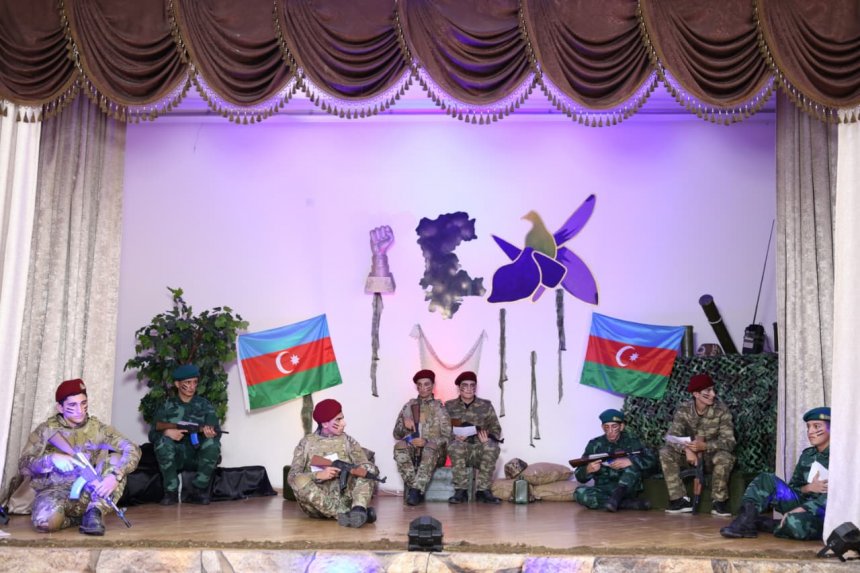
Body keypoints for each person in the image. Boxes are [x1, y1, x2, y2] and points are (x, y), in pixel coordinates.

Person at [18, 378, 141, 535]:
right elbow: (23, 466)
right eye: (72, 405)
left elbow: (133, 449)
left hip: (90, 492)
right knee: (46, 523)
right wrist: (51, 459)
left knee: (116, 459)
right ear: (60, 407)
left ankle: (94, 512)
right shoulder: (46, 430)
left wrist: (116, 476)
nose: (80, 410)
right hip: (54, 492)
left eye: (84, 403)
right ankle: (79, 519)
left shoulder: (98, 429)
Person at [720, 407, 830, 540]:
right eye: (808, 427)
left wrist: (800, 509)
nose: (810, 431)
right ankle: (745, 522)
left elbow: (839, 498)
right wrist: (808, 488)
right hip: (800, 503)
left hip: (822, 513)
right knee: (766, 479)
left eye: (816, 426)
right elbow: (794, 487)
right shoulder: (807, 455)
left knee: (795, 523)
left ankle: (770, 524)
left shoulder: (841, 459)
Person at [287, 399, 379, 528]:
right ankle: (349, 515)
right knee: (299, 480)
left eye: (342, 418)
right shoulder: (306, 443)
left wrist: (348, 470)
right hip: (317, 504)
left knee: (368, 469)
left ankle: (358, 509)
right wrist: (318, 475)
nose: (344, 423)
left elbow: (367, 467)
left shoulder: (348, 441)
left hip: (345, 498)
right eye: (338, 420)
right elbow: (292, 477)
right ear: (325, 423)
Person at [659, 373, 735, 516]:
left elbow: (729, 442)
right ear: (696, 394)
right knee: (665, 452)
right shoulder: (684, 409)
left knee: (725, 457)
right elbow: (671, 437)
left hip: (710, 458)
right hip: (690, 458)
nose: (713, 394)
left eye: (713, 389)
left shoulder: (722, 410)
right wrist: (687, 449)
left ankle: (718, 502)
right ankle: (679, 500)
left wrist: (705, 446)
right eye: (708, 391)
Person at [149, 364, 221, 506]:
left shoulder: (205, 405)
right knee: (162, 443)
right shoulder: (167, 406)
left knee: (213, 444)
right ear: (177, 384)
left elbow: (216, 432)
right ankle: (171, 492)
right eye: (188, 382)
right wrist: (166, 432)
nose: (192, 386)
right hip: (175, 455)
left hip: (196, 454)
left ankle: (198, 490)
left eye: (195, 382)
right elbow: (152, 435)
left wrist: (210, 434)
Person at [574, 409, 656, 512]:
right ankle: (625, 504)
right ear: (602, 427)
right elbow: (579, 476)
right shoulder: (594, 444)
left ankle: (617, 499)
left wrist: (631, 461)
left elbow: (652, 460)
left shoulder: (633, 441)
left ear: (621, 426)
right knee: (579, 493)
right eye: (606, 427)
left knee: (632, 467)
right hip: (604, 489)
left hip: (627, 488)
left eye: (614, 426)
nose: (610, 431)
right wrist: (588, 470)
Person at [393, 369, 452, 506]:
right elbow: (396, 434)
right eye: (419, 385)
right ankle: (415, 488)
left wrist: (426, 441)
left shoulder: (440, 408)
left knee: (429, 448)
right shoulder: (408, 406)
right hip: (414, 450)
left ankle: (415, 491)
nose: (423, 388)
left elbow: (447, 437)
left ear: (432, 385)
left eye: (427, 384)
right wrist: (403, 425)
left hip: (435, 453)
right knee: (399, 446)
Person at [444, 371, 502, 504]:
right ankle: (461, 491)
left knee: (491, 447)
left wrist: (488, 439)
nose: (469, 388)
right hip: (460, 449)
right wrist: (454, 437)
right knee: (455, 446)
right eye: (465, 385)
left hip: (480, 448)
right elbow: (443, 430)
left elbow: (496, 428)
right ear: (459, 387)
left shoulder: (486, 405)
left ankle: (483, 491)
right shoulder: (449, 406)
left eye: (472, 385)